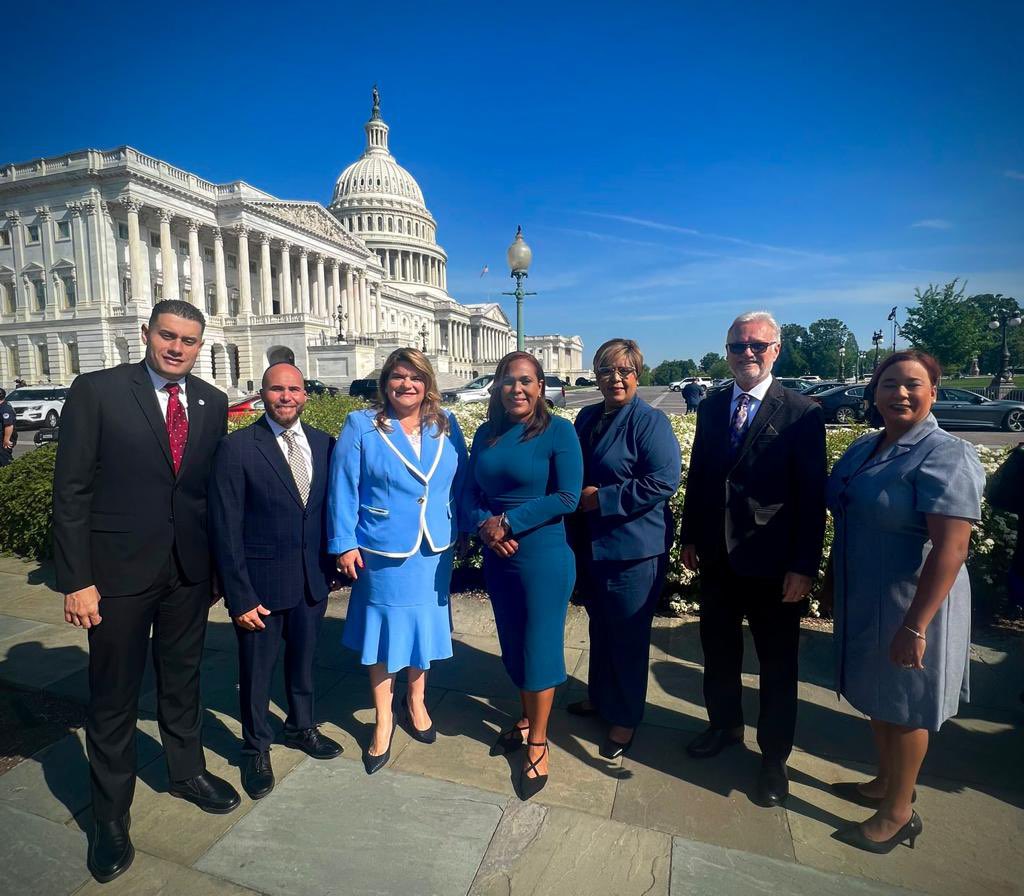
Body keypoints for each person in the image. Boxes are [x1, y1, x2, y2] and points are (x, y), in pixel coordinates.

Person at [52, 300, 240, 884]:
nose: (177, 347)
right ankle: (110, 818)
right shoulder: (99, 390)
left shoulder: (209, 403)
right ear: (146, 334)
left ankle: (185, 772)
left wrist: (212, 573)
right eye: (167, 335)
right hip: (116, 576)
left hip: (186, 575)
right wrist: (77, 579)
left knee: (183, 682)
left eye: (188, 339)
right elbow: (72, 491)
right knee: (113, 699)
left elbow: (205, 494)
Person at [827, 351, 984, 853]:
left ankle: (898, 813)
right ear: (873, 394)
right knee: (881, 698)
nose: (900, 393)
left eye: (913, 384)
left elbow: (952, 547)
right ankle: (886, 781)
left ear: (933, 392)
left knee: (908, 707)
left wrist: (916, 625)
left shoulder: (946, 453)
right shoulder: (865, 449)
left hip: (915, 604)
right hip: (867, 595)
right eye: (888, 384)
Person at [679, 311, 826, 808]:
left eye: (757, 346)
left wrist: (804, 566)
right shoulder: (714, 404)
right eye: (739, 345)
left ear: (775, 350)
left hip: (774, 562)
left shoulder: (801, 412)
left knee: (777, 666)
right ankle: (724, 727)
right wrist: (690, 537)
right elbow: (700, 476)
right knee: (718, 652)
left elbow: (812, 497)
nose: (747, 354)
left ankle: (773, 759)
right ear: (727, 350)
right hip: (718, 558)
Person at [328, 348, 467, 775]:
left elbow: (459, 481)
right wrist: (343, 543)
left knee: (423, 628)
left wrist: (457, 528)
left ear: (428, 383)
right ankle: (384, 717)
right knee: (384, 632)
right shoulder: (362, 426)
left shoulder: (447, 424)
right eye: (398, 377)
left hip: (433, 549)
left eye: (415, 377)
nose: (407, 385)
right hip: (383, 548)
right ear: (385, 382)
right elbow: (343, 488)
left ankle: (417, 700)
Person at [209, 362, 343, 801]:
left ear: (306, 395)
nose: (285, 397)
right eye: (276, 389)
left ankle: (301, 726)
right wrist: (238, 595)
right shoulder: (238, 448)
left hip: (311, 581)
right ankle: (255, 747)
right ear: (261, 395)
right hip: (260, 587)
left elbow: (330, 512)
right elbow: (225, 528)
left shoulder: (325, 445)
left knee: (303, 663)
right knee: (255, 672)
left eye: (294, 389)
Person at [463, 351, 582, 800]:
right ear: (497, 387)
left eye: (527, 380)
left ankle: (537, 742)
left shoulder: (559, 432)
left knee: (539, 650)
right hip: (498, 554)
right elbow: (471, 491)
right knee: (513, 646)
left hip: (543, 558)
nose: (518, 388)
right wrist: (484, 525)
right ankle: (527, 716)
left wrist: (508, 523)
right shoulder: (486, 434)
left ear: (541, 388)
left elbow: (568, 497)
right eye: (509, 380)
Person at [569, 339, 681, 757]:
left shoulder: (649, 421)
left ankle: (625, 718)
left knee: (629, 637)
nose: (615, 379)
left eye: (625, 371)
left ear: (637, 375)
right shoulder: (587, 416)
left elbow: (664, 480)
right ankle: (601, 698)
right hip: (592, 546)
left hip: (633, 549)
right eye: (606, 371)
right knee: (601, 629)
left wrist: (605, 498)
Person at [0, 388, 15, 467]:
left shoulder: (5, 409)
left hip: (3, 439)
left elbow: (9, 425)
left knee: (4, 459)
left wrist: (6, 440)